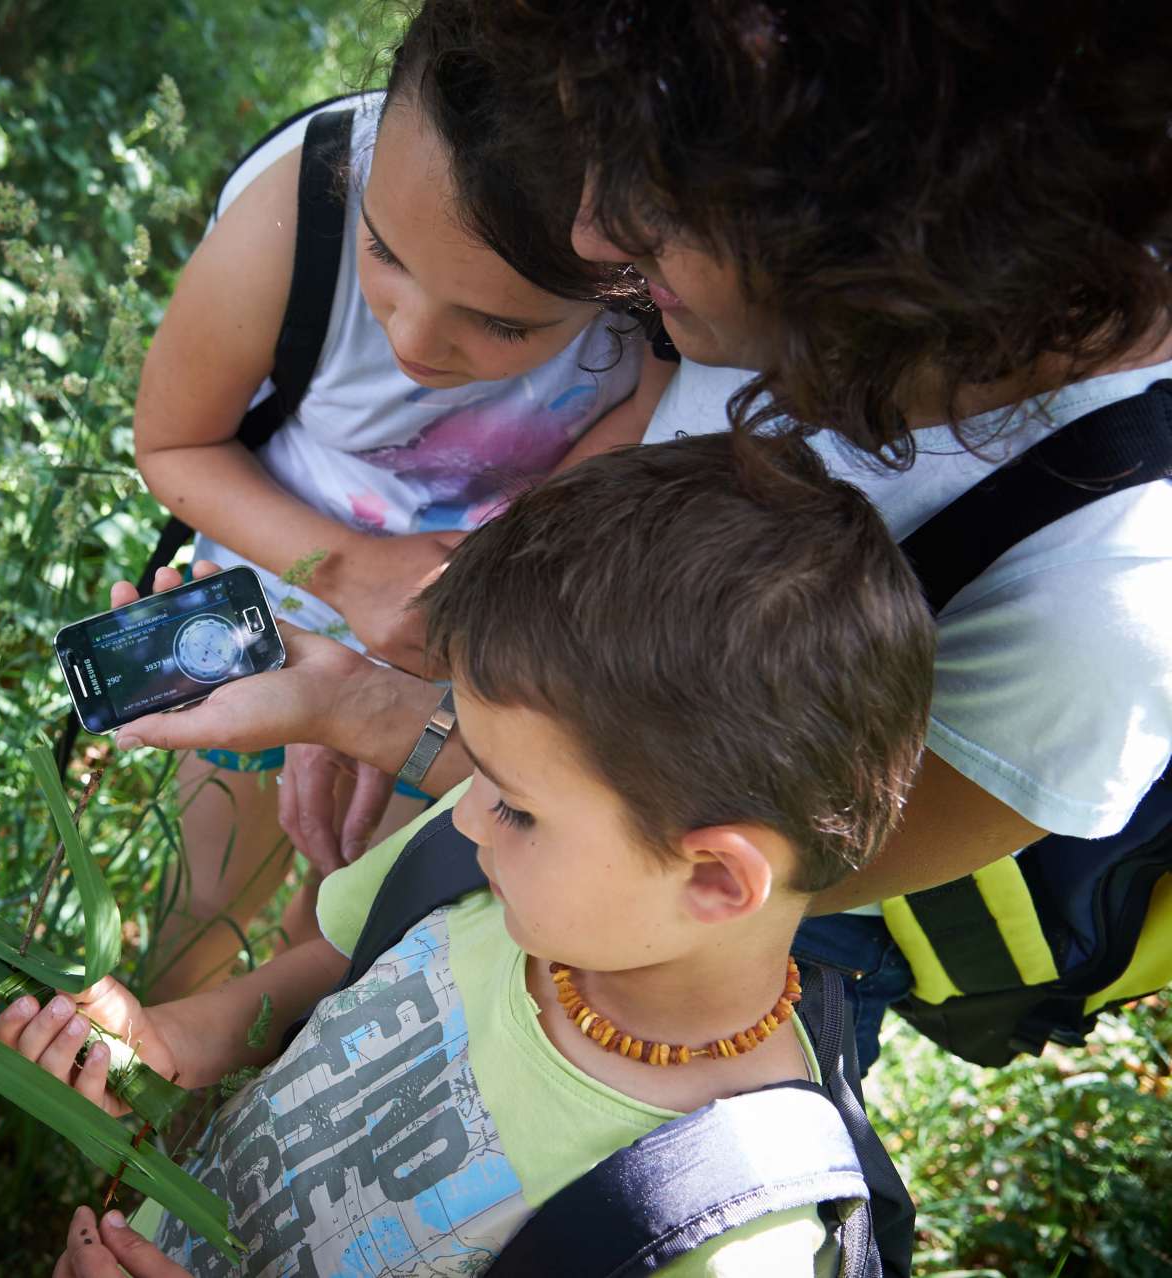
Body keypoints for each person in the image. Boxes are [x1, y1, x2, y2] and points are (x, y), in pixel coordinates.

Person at [118, 0, 1172, 1071]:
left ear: (877, 224)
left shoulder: (1102, 602)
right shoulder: (743, 288)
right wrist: (374, 694)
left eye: (671, 195)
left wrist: (397, 724)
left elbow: (717, 883)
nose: (589, 242)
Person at [5, 432, 937, 1275]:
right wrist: (181, 1037)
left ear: (716, 880)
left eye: (519, 807)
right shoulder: (499, 880)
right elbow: (341, 968)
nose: (465, 815)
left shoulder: (724, 1238)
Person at [132, 0, 671, 1000]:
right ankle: (135, 1101)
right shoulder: (298, 201)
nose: (414, 338)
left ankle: (242, 1123)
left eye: (499, 326)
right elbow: (172, 444)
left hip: (455, 651)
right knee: (202, 895)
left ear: (631, 285)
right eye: (384, 253)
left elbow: (623, 446)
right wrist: (346, 573)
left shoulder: (668, 320)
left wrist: (463, 608)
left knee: (341, 928)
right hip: (248, 590)